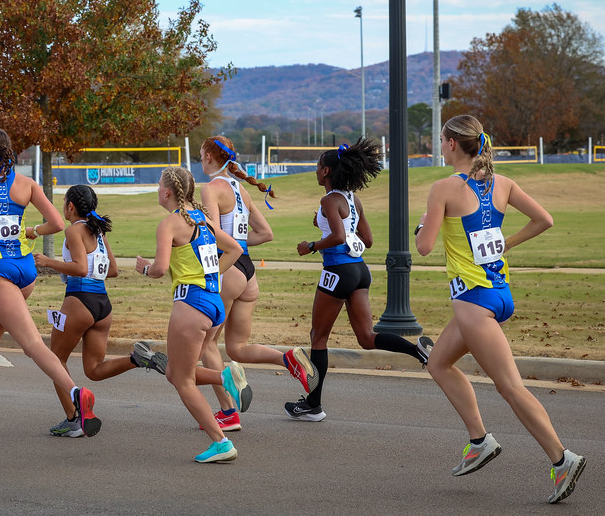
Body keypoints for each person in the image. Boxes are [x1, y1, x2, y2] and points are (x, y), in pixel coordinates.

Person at [415, 115, 585, 504]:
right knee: (438, 363)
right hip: (497, 294)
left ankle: (562, 460)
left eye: (442, 140)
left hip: (474, 301)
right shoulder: (502, 183)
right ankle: (479, 440)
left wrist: (427, 222)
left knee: (510, 387)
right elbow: (545, 219)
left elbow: (424, 247)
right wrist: (507, 243)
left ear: (454, 144)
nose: (441, 146)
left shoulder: (444, 188)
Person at [0, 128, 99, 440]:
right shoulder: (26, 183)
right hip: (25, 273)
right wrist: (33, 232)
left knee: (32, 344)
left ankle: (77, 393)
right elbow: (57, 223)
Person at [289, 138, 431, 422]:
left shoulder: (329, 200)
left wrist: (312, 245)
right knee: (367, 338)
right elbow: (366, 239)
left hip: (337, 272)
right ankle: (419, 351)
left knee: (318, 338)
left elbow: (339, 237)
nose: (316, 171)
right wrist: (327, 225)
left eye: (318, 166)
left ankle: (313, 405)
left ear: (327, 171)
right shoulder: (353, 199)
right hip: (359, 271)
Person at [198, 137, 317, 432]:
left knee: (206, 344)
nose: (200, 162)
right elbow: (265, 233)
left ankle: (227, 411)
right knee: (236, 347)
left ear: (211, 158)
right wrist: (239, 244)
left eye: (201, 156)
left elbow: (212, 233)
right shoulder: (241, 190)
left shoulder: (211, 188)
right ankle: (286, 358)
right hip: (248, 272)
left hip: (227, 269)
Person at [33, 184, 168, 438]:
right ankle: (136, 359)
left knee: (55, 361)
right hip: (102, 306)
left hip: (79, 300)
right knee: (94, 369)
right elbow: (113, 270)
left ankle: (73, 421)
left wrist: (48, 262)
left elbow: (81, 269)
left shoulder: (75, 230)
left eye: (64, 202)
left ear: (70, 206)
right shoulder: (98, 231)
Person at [135, 166, 250, 463]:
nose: (157, 190)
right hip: (213, 301)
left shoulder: (170, 224)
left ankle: (221, 442)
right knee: (175, 373)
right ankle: (224, 376)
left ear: (168, 192)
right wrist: (210, 277)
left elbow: (160, 269)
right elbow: (236, 248)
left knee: (183, 381)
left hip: (191, 304)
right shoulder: (204, 218)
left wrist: (144, 268)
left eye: (159, 185)